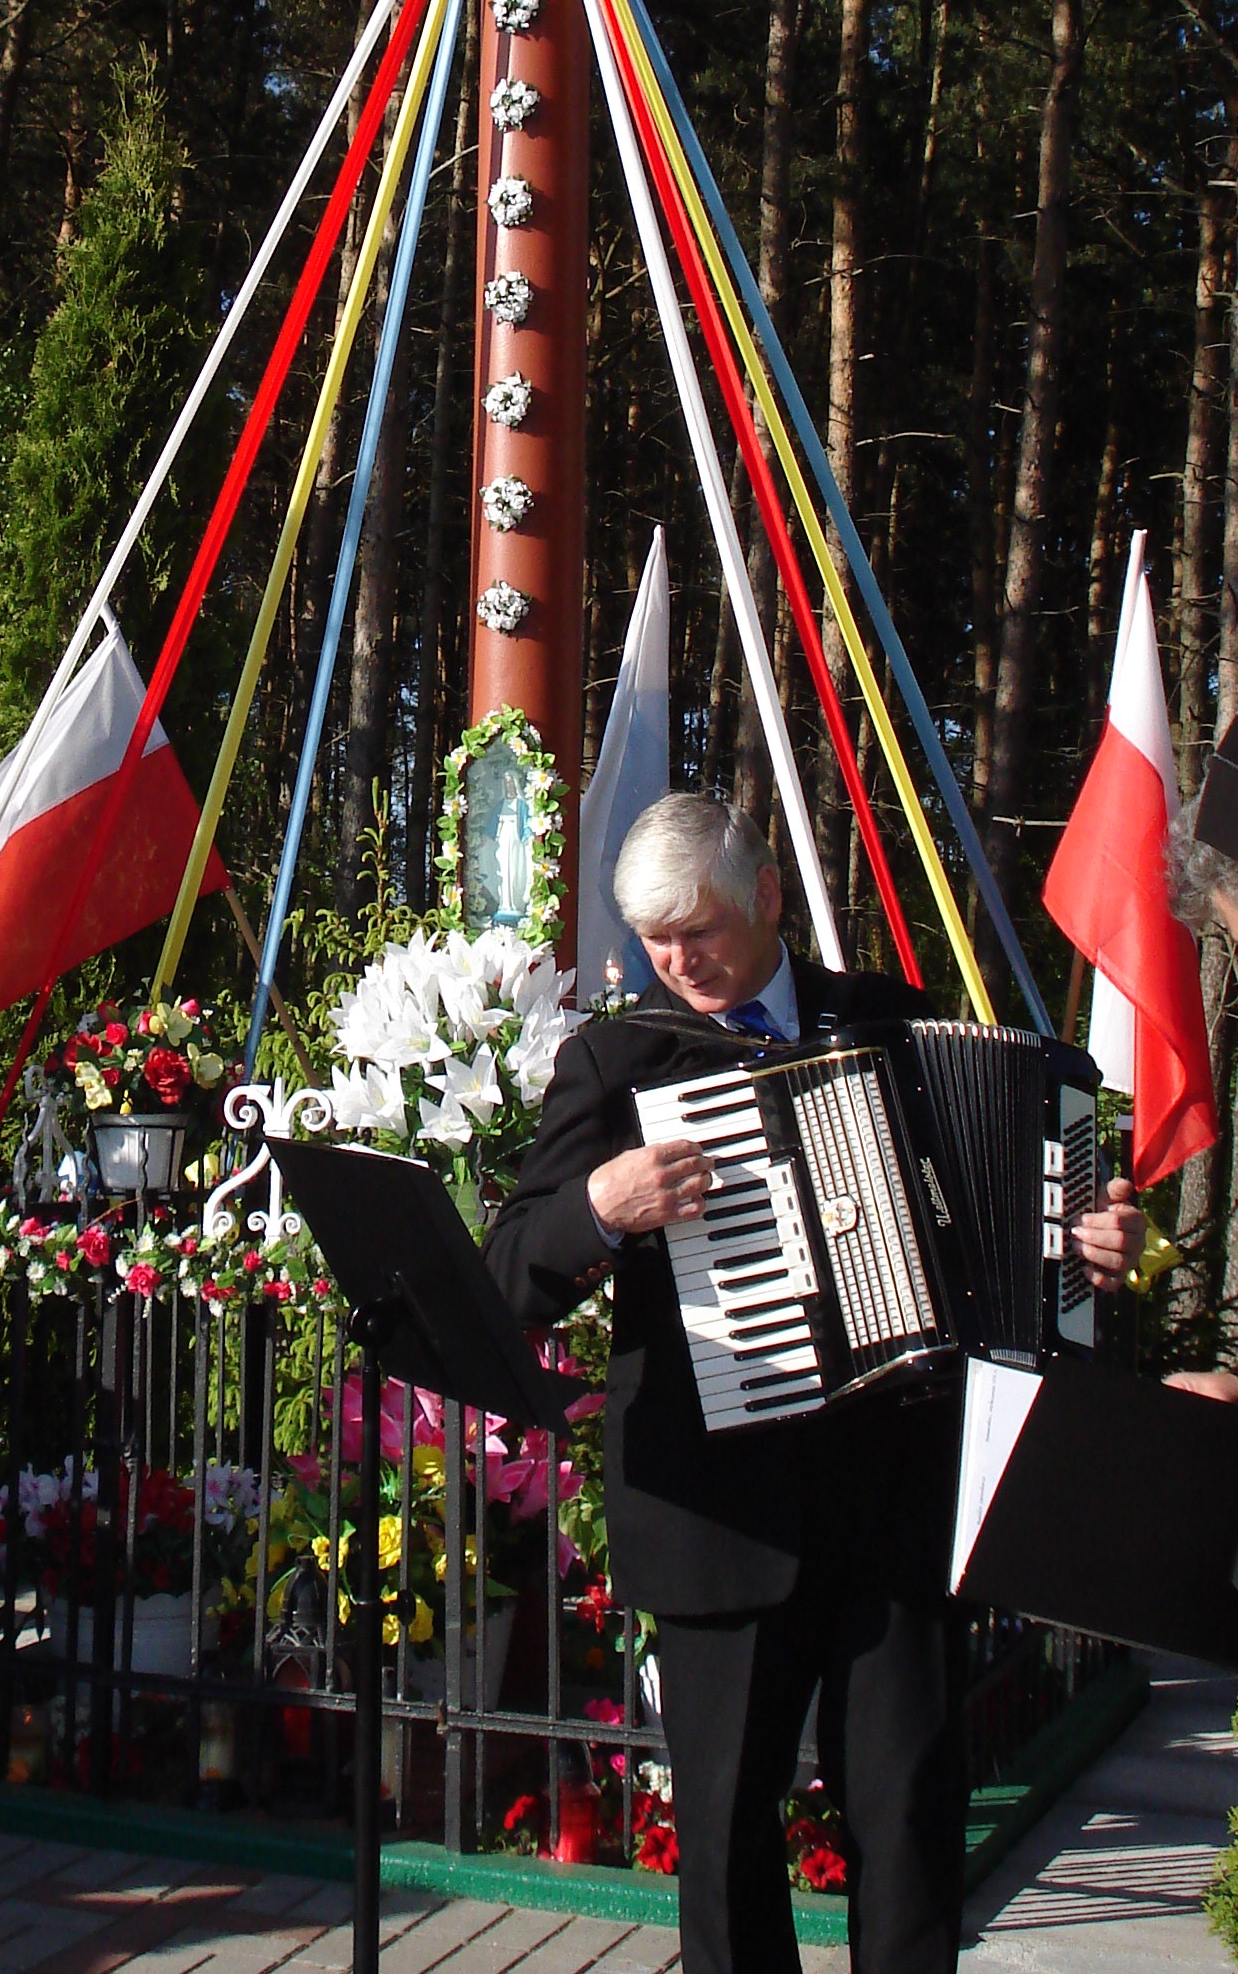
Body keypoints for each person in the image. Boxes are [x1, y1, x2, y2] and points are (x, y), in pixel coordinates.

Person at [486, 794, 1144, 1974]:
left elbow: (1006, 1227)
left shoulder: (890, 1018)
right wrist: (601, 1205)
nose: (677, 962)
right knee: (727, 1837)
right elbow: (509, 1270)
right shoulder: (621, 1059)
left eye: (699, 929)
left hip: (895, 1499)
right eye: (654, 939)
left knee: (911, 1814)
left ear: (768, 896)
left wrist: (1088, 1241)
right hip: (720, 1516)